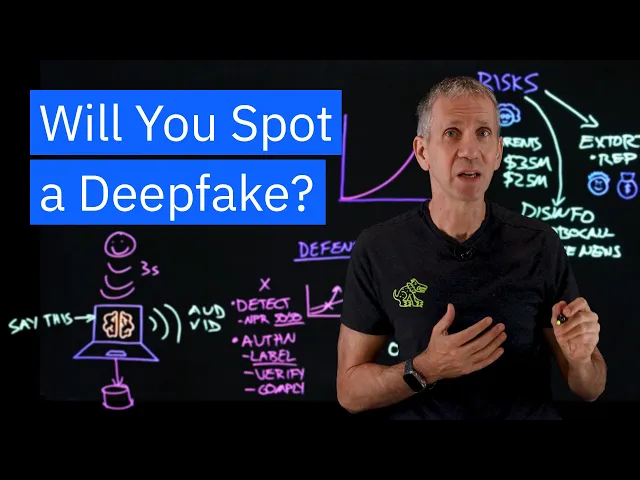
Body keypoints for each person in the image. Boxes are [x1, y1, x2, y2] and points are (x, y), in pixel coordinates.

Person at [336, 76, 607, 420]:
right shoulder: (379, 248)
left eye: (483, 133)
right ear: (422, 152)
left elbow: (591, 388)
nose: (470, 151)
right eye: (452, 133)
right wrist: (426, 368)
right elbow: (350, 393)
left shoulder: (539, 244)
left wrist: (581, 360)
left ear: (498, 153)